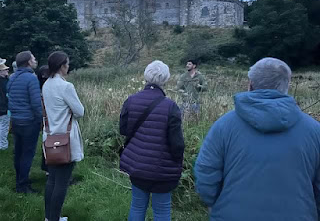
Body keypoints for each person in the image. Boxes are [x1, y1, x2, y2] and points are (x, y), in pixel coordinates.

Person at [194, 57, 320, 221]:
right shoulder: (314, 130)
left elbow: (206, 171)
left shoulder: (223, 126)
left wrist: (214, 203)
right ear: (286, 86)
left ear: (250, 84)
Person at [120, 60, 185, 221]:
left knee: (137, 206)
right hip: (162, 170)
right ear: (165, 79)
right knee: (162, 210)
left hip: (137, 165)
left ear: (146, 76)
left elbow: (123, 130)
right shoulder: (171, 106)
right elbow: (177, 145)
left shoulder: (131, 100)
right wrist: (177, 163)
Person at [42, 51, 84, 221]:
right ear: (61, 66)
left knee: (52, 180)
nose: (69, 66)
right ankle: (55, 219)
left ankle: (49, 217)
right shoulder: (66, 86)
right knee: (62, 182)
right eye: (67, 63)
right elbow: (80, 112)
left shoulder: (46, 85)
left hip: (50, 136)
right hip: (65, 140)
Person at [7, 50, 42, 193]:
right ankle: (23, 185)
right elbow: (36, 103)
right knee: (27, 154)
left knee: (19, 153)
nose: (35, 60)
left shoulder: (12, 77)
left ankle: (19, 180)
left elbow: (8, 96)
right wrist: (41, 120)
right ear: (28, 62)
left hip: (16, 120)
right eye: (33, 58)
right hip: (28, 122)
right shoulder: (31, 78)